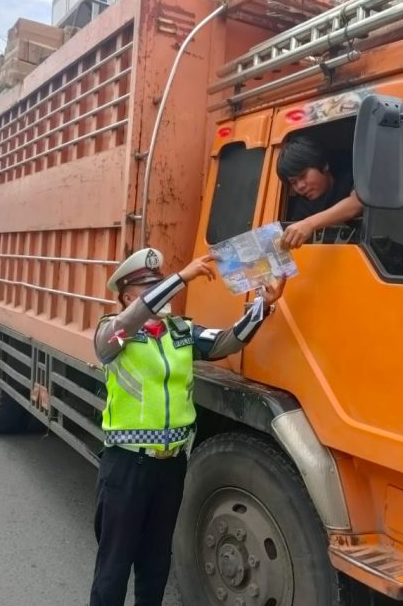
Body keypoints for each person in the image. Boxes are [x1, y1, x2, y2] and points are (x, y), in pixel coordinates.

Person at [90, 247, 286, 606]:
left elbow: (227, 340)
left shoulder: (179, 332)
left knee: (155, 564)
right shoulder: (114, 334)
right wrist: (180, 278)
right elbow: (128, 324)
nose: (159, 295)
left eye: (159, 284)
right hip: (126, 466)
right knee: (114, 566)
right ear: (128, 297)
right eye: (149, 288)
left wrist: (262, 307)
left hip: (171, 466)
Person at [277, 135, 363, 249]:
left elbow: (357, 202)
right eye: (293, 182)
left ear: (324, 165)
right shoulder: (301, 209)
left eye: (303, 176)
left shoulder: (351, 178)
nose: (300, 186)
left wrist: (309, 224)